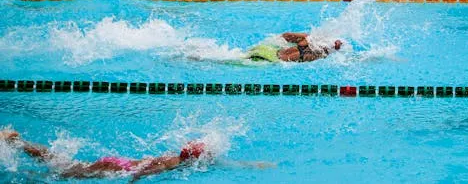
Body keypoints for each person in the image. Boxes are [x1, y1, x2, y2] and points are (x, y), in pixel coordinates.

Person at [0, 130, 270, 180]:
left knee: (65, 165)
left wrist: (253, 165)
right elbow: (148, 170)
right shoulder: (172, 163)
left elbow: (227, 163)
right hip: (116, 168)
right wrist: (134, 180)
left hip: (119, 162)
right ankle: (20, 148)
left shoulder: (179, 158)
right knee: (64, 173)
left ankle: (19, 143)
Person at [246, 32, 343, 63]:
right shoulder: (310, 43)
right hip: (269, 59)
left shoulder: (308, 40)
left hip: (269, 52)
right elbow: (286, 36)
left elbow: (286, 35)